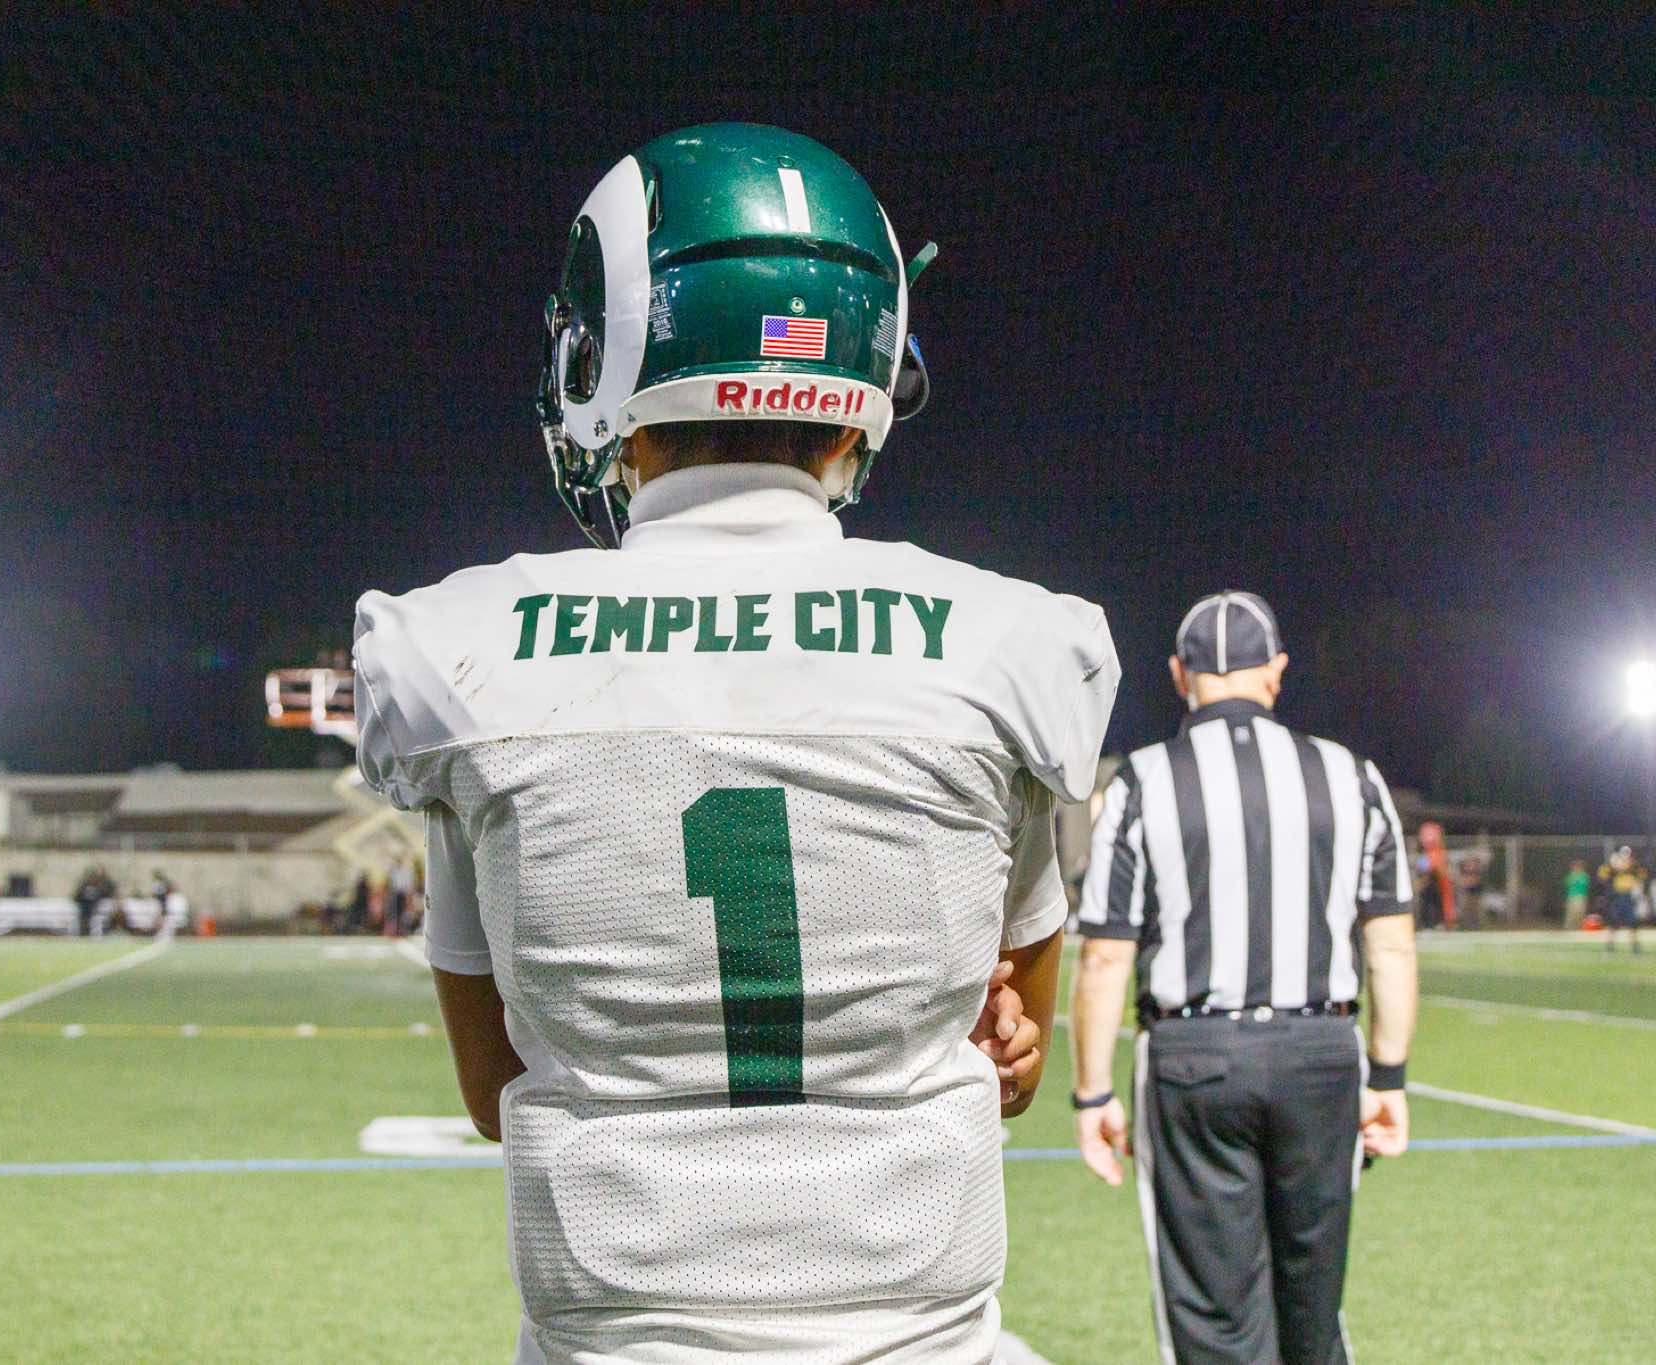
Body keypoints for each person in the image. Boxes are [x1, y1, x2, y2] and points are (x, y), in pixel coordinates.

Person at [352, 123, 1117, 1362]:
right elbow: (1007, 1046)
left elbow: (495, 1089)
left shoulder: (458, 653)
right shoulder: (1009, 643)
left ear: (606, 353)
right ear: (867, 384)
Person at [1070, 591, 1418, 1365]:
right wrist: (1389, 1075)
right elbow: (1391, 945)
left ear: (1179, 675)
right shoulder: (1351, 775)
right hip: (1321, 1049)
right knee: (1311, 1309)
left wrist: (1092, 1093)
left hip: (1194, 1058)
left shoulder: (1144, 780)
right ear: (1277, 671)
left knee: (1215, 1319)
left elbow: (1104, 955)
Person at [1597, 846, 1644, 954]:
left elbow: (1642, 875)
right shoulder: (1613, 870)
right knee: (1614, 922)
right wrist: (1611, 867)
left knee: (1632, 922)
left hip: (1628, 897)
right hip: (1617, 897)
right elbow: (1602, 876)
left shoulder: (1634, 869)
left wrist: (1632, 866)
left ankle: (1635, 945)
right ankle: (1610, 945)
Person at [1563, 858, 1591, 930]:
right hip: (1571, 896)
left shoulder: (1584, 876)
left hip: (1580, 897)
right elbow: (1567, 884)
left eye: (1578, 866)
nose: (1575, 868)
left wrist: (1575, 880)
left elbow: (1584, 885)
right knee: (1570, 913)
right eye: (1574, 866)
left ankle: (1579, 927)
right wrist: (1573, 876)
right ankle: (1569, 928)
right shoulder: (1571, 875)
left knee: (1579, 912)